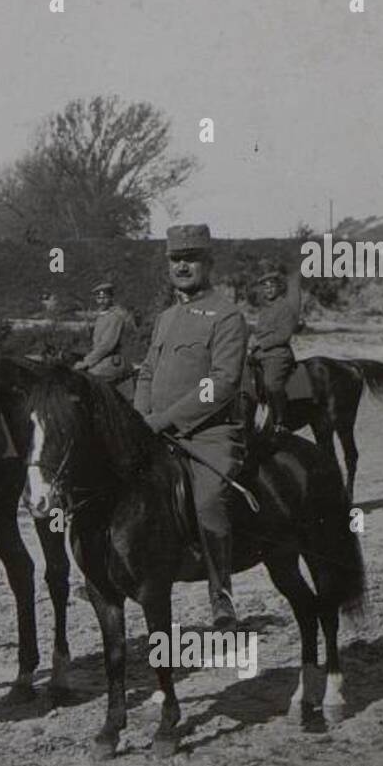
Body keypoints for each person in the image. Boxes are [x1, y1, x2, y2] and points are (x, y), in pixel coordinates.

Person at [134, 225, 248, 631]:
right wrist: (139, 419)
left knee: (207, 501)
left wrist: (162, 420)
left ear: (209, 263)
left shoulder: (226, 315)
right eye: (175, 259)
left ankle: (222, 595)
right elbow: (147, 372)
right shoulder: (166, 318)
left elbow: (221, 383)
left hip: (208, 435)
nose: (182, 265)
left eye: (192, 257)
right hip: (155, 430)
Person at [248, 260, 302, 439]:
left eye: (271, 286)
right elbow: (260, 330)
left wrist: (260, 343)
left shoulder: (285, 308)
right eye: (265, 287)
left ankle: (280, 422)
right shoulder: (264, 309)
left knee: (271, 383)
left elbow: (283, 335)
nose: (268, 290)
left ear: (278, 288)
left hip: (277, 354)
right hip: (259, 353)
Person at [74, 280, 137, 398]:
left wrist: (86, 362)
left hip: (113, 362)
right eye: (99, 298)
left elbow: (107, 345)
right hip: (102, 361)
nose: (102, 301)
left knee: (87, 379)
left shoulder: (115, 317)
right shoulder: (101, 317)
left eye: (105, 297)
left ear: (111, 298)